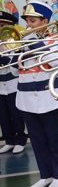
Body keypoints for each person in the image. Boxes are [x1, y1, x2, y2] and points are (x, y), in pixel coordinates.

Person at [17, 0, 58, 187]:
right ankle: (45, 175)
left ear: (45, 21)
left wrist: (36, 44)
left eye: (33, 21)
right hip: (26, 97)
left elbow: (55, 63)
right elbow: (15, 69)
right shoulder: (21, 41)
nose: (28, 25)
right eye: (28, 21)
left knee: (53, 139)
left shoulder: (55, 39)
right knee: (37, 140)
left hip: (47, 97)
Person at [0, 11, 27, 155]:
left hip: (12, 83)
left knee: (16, 115)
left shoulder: (16, 41)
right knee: (3, 116)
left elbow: (14, 62)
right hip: (0, 86)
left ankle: (20, 140)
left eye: (3, 25)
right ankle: (9, 141)